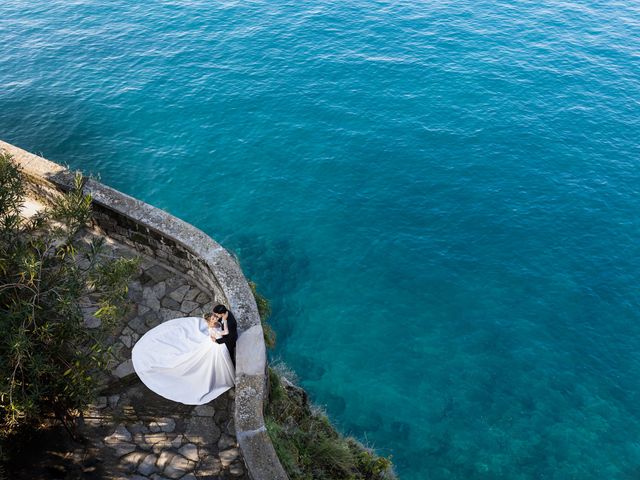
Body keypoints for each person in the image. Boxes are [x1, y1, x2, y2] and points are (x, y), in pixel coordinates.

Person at [131, 314, 235, 405]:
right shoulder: (212, 331)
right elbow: (218, 336)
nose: (214, 319)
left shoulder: (212, 328)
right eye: (213, 318)